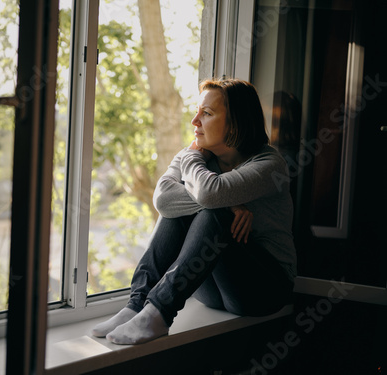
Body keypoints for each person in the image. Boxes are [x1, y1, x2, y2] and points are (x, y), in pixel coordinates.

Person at [91, 78, 297, 345]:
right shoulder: (198, 153)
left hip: (263, 290)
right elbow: (163, 200)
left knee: (214, 212)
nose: (194, 121)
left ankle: (159, 313)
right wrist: (231, 203)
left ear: (236, 122)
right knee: (186, 209)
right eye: (197, 111)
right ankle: (137, 304)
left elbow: (212, 194)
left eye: (207, 113)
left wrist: (200, 174)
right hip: (210, 288)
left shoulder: (269, 165)